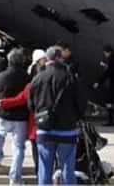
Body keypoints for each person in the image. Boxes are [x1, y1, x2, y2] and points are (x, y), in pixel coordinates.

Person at [28, 46, 84, 185]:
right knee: (67, 167)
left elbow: (31, 105)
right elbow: (81, 103)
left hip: (45, 129)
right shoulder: (69, 78)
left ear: (47, 59)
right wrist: (76, 117)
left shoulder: (37, 78)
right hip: (67, 129)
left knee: (44, 168)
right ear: (60, 58)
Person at [0, 49, 47, 178]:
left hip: (37, 126)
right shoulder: (56, 82)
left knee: (39, 156)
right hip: (57, 125)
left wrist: (3, 103)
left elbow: (20, 99)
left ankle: (41, 178)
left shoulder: (32, 84)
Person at [0, 48, 28, 185]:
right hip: (21, 116)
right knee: (18, 147)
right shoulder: (26, 77)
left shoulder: (2, 76)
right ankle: (14, 177)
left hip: (4, 113)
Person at [94, 45, 114, 126]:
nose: (105, 55)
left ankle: (111, 120)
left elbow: (108, 73)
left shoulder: (112, 60)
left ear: (109, 52)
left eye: (105, 53)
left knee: (109, 103)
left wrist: (98, 82)